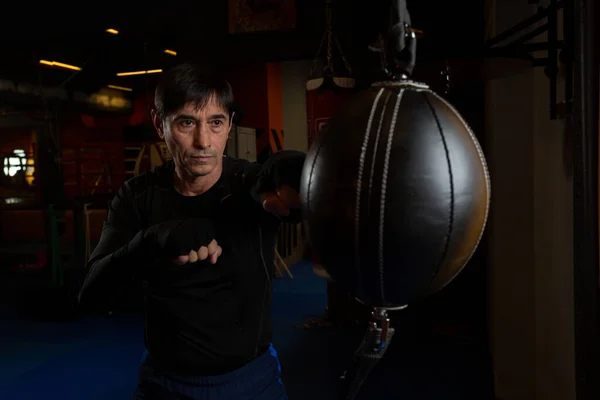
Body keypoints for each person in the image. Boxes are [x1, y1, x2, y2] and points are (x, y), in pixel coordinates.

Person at [78, 63, 306, 399]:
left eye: (215, 123)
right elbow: (90, 295)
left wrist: (308, 175)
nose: (203, 141)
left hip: (252, 382)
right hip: (164, 384)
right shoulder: (138, 196)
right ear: (160, 124)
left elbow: (299, 204)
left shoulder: (254, 185)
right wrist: (153, 240)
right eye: (187, 122)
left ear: (229, 125)